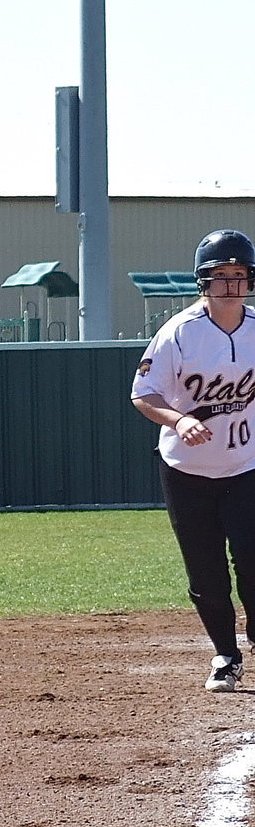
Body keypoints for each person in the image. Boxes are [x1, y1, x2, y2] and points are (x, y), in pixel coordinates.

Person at [132, 228, 255, 693]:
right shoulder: (179, 333)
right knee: (206, 570)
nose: (230, 284)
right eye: (220, 274)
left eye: (238, 274)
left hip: (247, 465)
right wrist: (178, 420)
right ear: (204, 280)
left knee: (253, 558)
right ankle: (226, 656)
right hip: (187, 470)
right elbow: (143, 394)